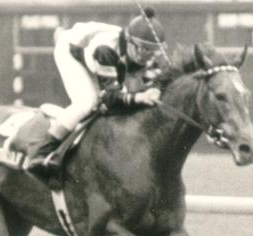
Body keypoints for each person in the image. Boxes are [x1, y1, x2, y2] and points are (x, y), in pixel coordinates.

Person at [26, 7, 166, 173]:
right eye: (144, 49)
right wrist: (138, 97)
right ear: (130, 41)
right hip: (70, 51)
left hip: (97, 55)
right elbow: (110, 96)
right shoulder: (106, 49)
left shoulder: (146, 54)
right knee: (88, 102)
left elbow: (159, 79)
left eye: (153, 51)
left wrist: (157, 88)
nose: (148, 56)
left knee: (120, 98)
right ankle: (40, 150)